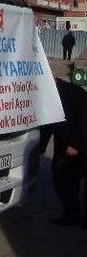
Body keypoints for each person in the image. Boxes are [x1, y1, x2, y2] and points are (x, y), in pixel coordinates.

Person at [46, 79, 87, 227]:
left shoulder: (73, 93)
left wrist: (75, 144)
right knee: (61, 179)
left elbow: (84, 119)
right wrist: (39, 148)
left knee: (66, 177)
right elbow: (48, 124)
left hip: (79, 144)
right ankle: (71, 215)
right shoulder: (48, 95)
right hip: (66, 145)